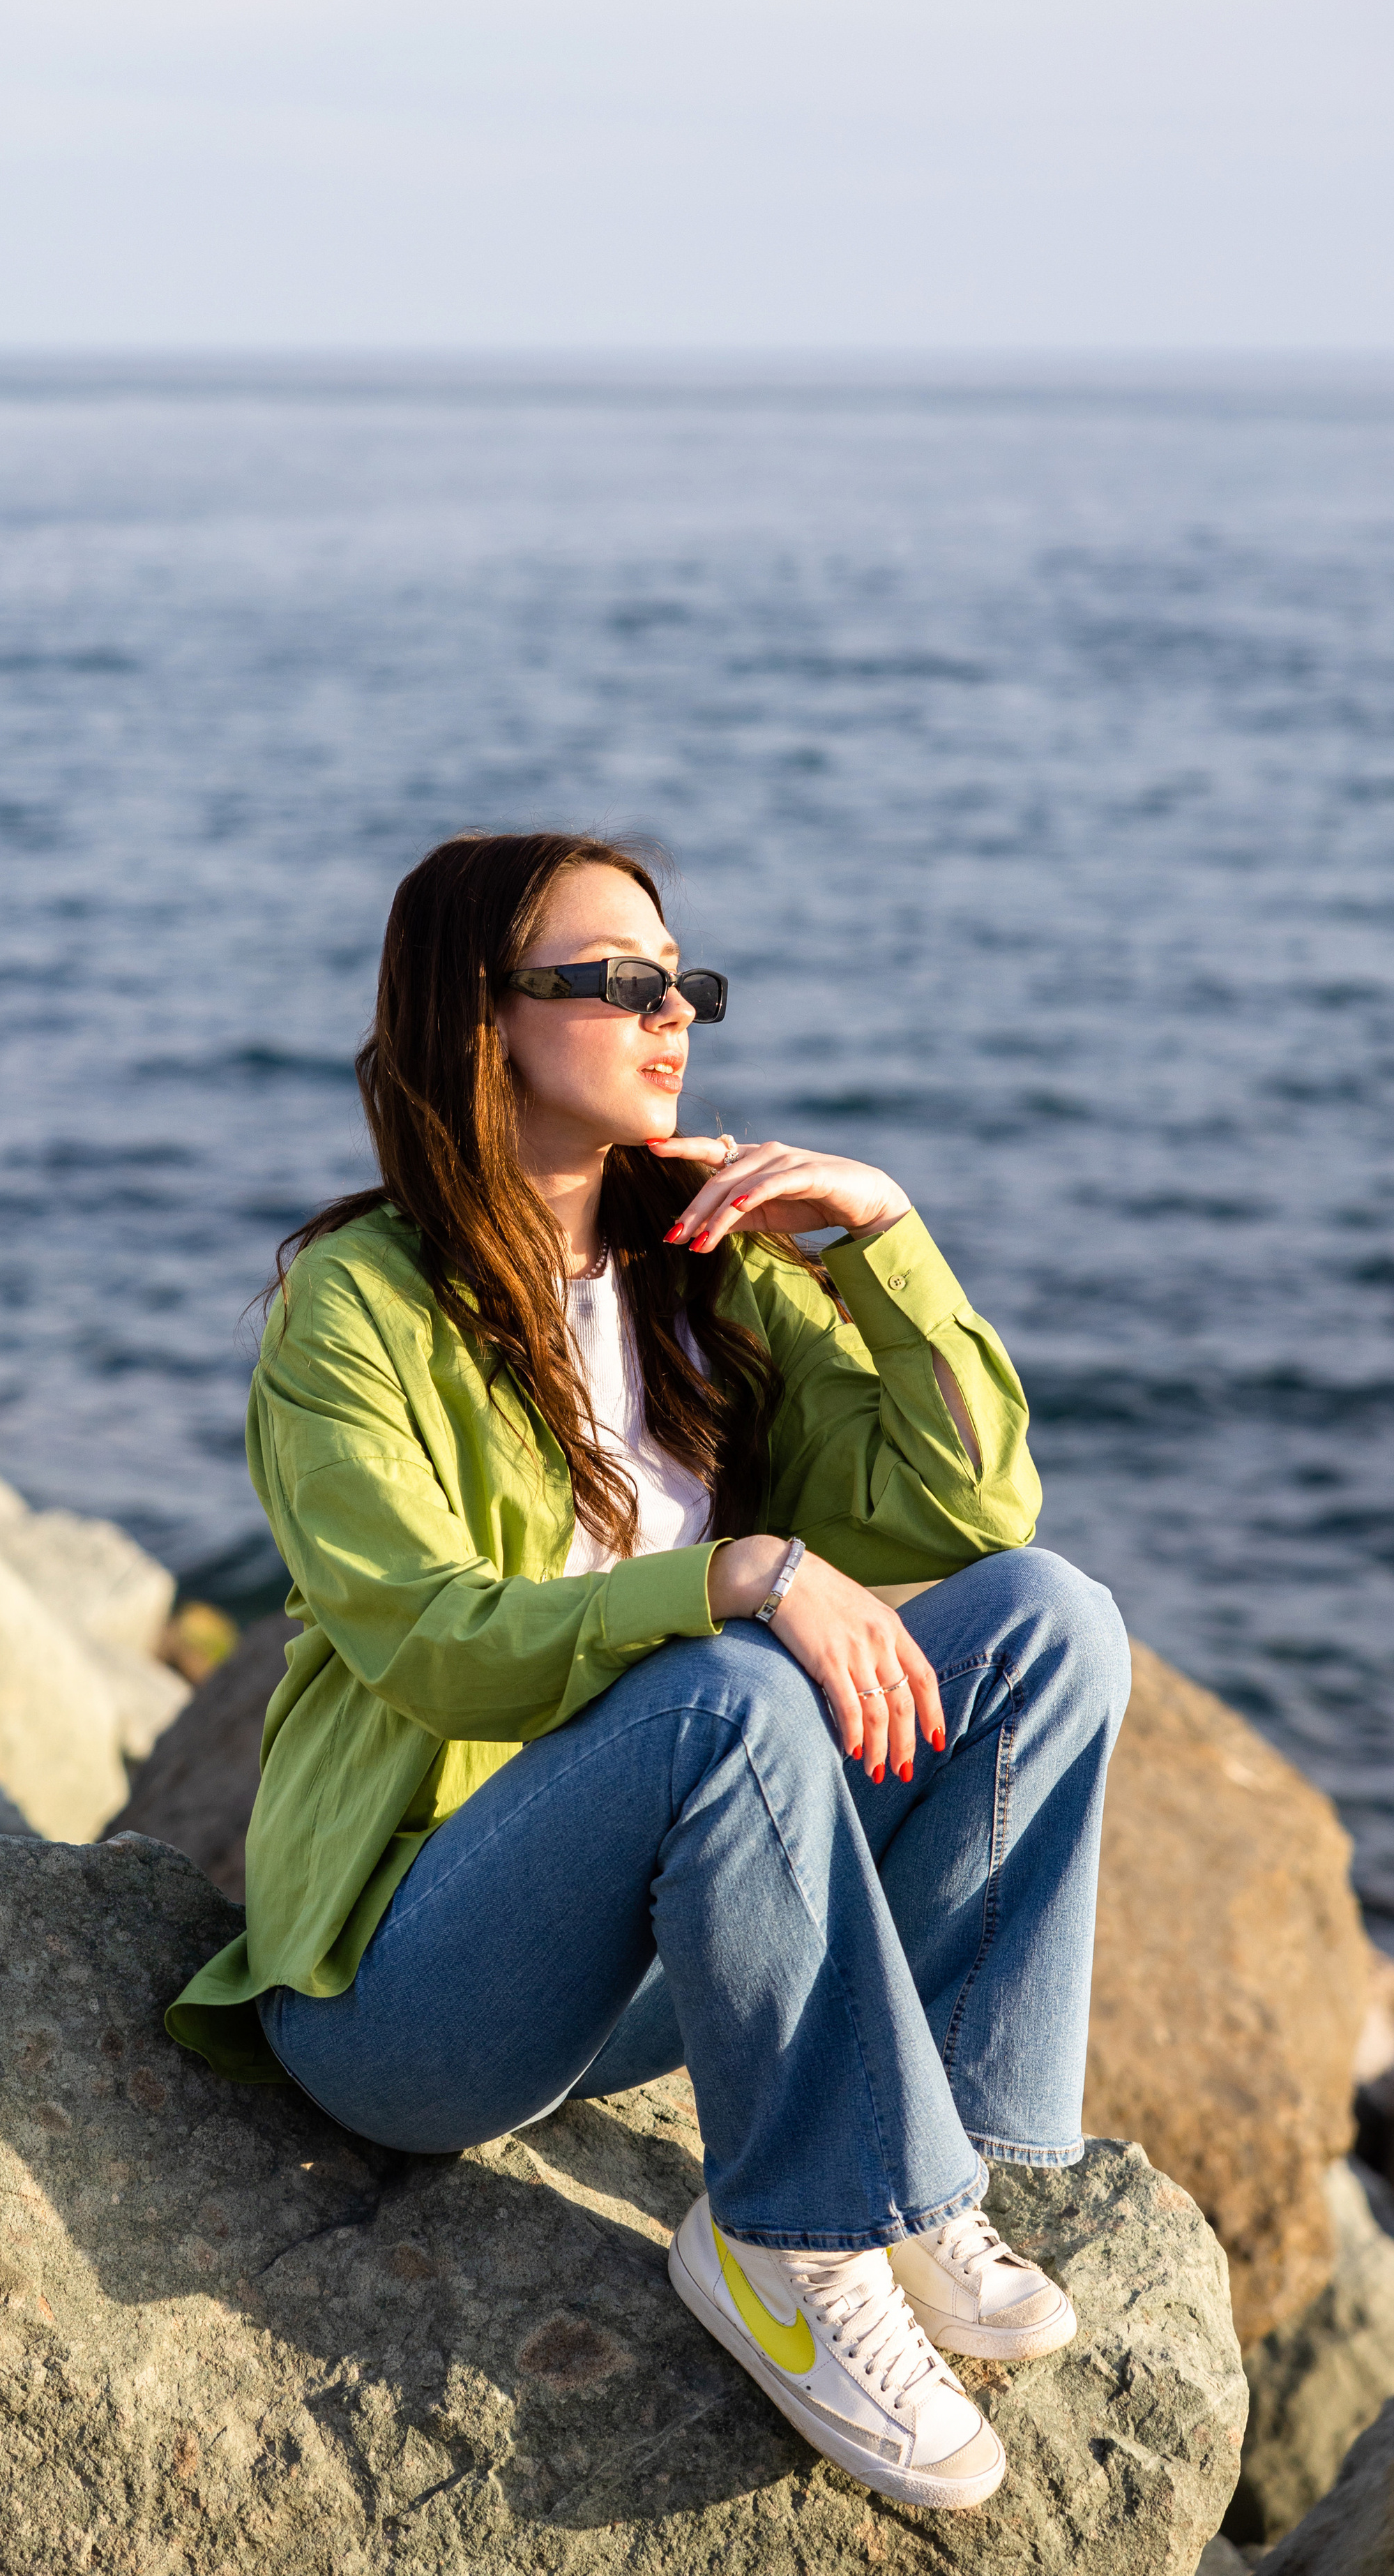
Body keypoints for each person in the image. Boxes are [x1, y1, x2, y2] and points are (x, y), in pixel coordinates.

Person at [168, 829, 1130, 2513]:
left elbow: (973, 1507)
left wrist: (886, 1239)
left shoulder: (710, 1265)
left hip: (645, 1976)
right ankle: (788, 2245)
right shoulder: (352, 1310)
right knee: (732, 1684)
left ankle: (915, 2179)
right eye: (615, 982)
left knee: (1049, 1623)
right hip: (413, 1995)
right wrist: (731, 1575)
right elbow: (434, 1646)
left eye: (682, 980)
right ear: (479, 1016)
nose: (667, 1011)